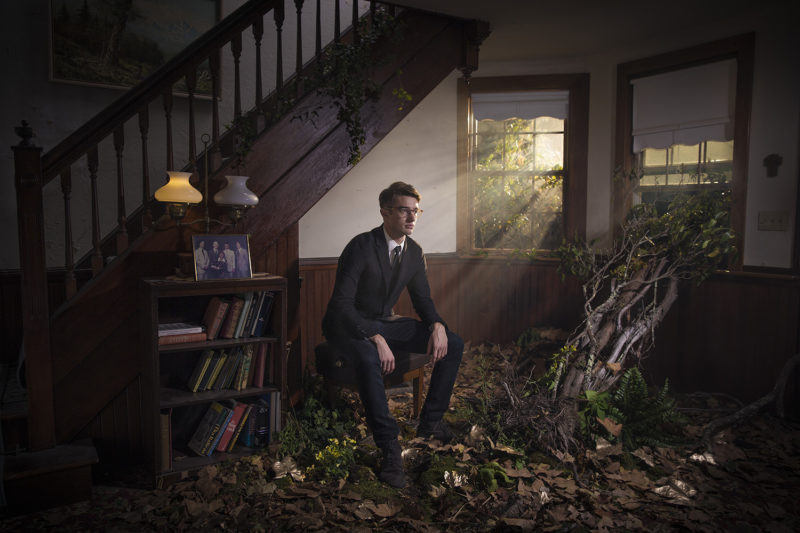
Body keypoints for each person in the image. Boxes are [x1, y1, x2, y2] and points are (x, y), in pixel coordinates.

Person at [322, 181, 463, 488]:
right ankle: (389, 446)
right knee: (368, 353)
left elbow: (423, 301)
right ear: (385, 212)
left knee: (453, 341)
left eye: (415, 211)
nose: (411, 218)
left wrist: (437, 325)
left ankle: (430, 422)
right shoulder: (361, 246)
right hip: (346, 325)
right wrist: (373, 335)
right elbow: (341, 304)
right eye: (403, 210)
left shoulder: (414, 252)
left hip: (384, 322)